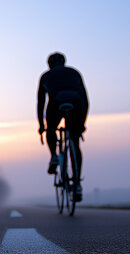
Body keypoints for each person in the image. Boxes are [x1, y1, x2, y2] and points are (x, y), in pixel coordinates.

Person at [37, 52, 89, 201]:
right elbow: (85, 99)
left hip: (56, 103)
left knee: (51, 128)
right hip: (77, 104)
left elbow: (40, 104)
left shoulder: (45, 76)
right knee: (75, 141)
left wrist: (42, 126)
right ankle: (77, 183)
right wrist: (82, 124)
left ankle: (53, 156)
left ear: (49, 65)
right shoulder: (74, 73)